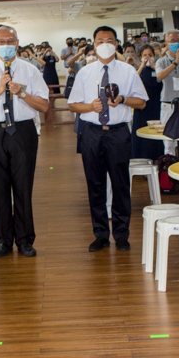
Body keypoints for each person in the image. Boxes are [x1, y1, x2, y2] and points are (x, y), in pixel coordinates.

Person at [0, 25, 49, 258]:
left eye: (10, 41)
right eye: (0, 42)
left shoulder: (30, 70)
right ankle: (3, 240)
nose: (5, 46)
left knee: (23, 186)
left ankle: (25, 239)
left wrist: (21, 93)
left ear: (17, 43)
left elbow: (44, 105)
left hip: (23, 131)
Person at [68, 26, 148, 252]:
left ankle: (121, 234)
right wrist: (89, 107)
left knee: (121, 184)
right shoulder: (85, 72)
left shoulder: (128, 71)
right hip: (92, 132)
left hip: (118, 132)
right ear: (94, 44)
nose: (105, 43)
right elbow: (73, 104)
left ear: (116, 44)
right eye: (100, 40)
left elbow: (141, 102)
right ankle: (100, 234)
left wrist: (122, 99)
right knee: (95, 184)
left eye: (109, 40)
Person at [131, 45, 163, 161]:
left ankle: (157, 158)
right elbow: (133, 80)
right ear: (140, 57)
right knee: (141, 132)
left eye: (150, 55)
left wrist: (154, 66)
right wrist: (142, 66)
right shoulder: (139, 71)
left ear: (155, 56)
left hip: (156, 105)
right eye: (145, 55)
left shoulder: (158, 70)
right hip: (142, 107)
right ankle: (140, 159)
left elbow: (162, 79)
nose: (147, 57)